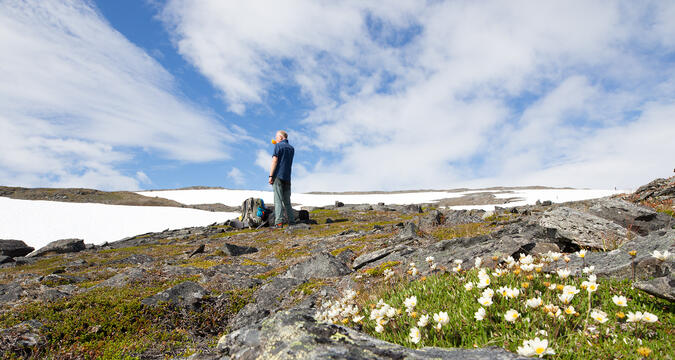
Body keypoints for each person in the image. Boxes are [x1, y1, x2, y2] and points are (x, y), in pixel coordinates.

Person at [269, 130, 295, 227]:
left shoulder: (278, 146)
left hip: (278, 176)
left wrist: (271, 176)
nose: (275, 139)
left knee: (278, 200)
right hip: (287, 177)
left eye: (276, 137)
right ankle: (292, 222)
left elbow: (275, 161)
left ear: (280, 137)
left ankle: (279, 222)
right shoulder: (292, 148)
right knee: (287, 202)